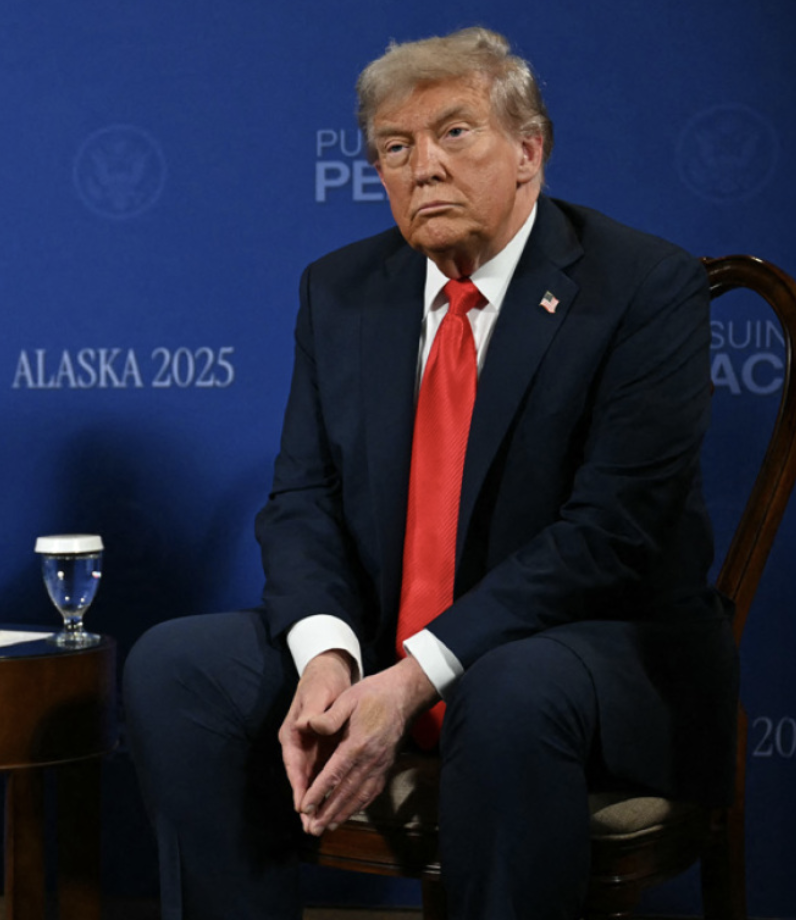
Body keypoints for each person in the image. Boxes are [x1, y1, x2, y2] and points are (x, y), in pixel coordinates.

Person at [123, 27, 735, 920]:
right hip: (387, 641)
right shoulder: (340, 290)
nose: (424, 168)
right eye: (395, 148)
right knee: (176, 667)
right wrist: (327, 658)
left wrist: (418, 675)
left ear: (529, 152)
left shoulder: (642, 286)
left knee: (506, 687)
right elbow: (302, 500)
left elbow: (612, 536)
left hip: (597, 653)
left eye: (454, 133)